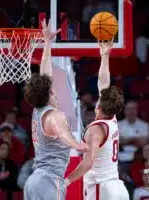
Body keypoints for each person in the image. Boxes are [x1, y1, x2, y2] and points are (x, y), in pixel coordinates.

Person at [23, 20, 87, 200]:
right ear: (50, 91)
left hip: (34, 181)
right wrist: (78, 145)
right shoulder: (53, 115)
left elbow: (45, 74)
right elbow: (61, 133)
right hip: (50, 180)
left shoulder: (38, 110)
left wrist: (47, 44)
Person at [65, 39, 129, 200]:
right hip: (117, 187)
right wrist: (105, 55)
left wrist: (67, 181)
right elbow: (104, 83)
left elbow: (88, 163)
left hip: (102, 189)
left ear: (98, 106)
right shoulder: (112, 117)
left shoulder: (96, 130)